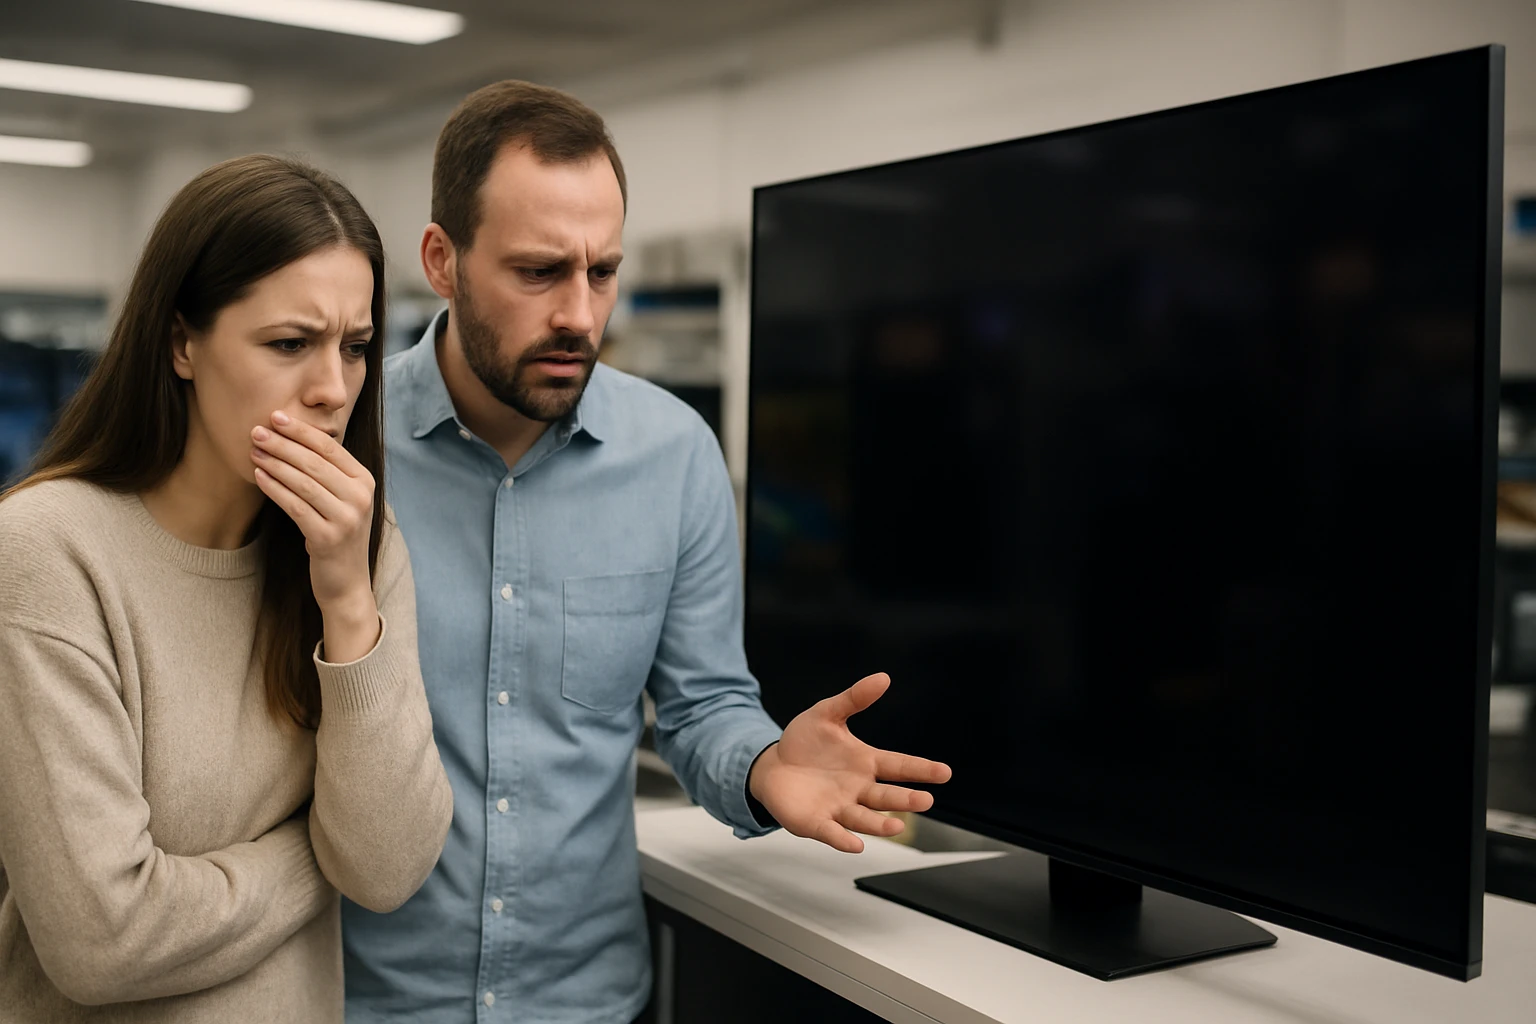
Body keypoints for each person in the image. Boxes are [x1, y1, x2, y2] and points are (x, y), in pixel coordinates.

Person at [341, 81, 952, 1023]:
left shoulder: (675, 456)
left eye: (602, 272)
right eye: (540, 272)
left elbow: (705, 707)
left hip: (587, 1003)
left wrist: (759, 766)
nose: (582, 316)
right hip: (364, 1003)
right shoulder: (344, 441)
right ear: (443, 261)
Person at [0, 154, 453, 1023]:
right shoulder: (48, 551)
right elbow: (103, 941)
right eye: (290, 344)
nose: (332, 390)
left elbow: (389, 870)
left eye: (355, 347)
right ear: (181, 343)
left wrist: (349, 603)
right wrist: (310, 854)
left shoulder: (357, 547)